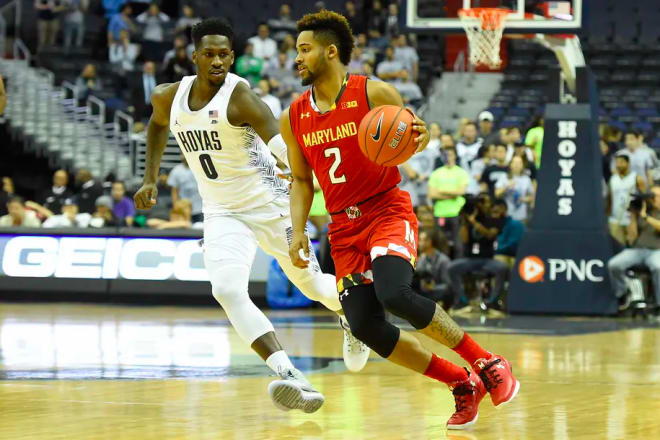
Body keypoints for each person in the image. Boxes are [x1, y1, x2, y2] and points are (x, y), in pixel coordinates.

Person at [281, 10, 519, 430]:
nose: (296, 58)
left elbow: (411, 132)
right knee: (365, 325)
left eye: (304, 49)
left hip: (386, 209)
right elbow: (301, 181)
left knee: (395, 293)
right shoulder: (293, 116)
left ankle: (487, 361)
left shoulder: (374, 93)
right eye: (295, 51)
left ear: (330, 51)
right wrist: (297, 231)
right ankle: (461, 383)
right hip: (343, 229)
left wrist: (420, 137)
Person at [132, 18, 370, 413]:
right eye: (209, 54)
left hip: (270, 204)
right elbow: (157, 127)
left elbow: (281, 144)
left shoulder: (240, 97)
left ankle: (351, 315)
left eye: (225, 54)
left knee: (311, 286)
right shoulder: (166, 97)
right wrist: (150, 178)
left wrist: (297, 169)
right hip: (222, 210)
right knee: (225, 290)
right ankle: (290, 375)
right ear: (194, 57)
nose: (218, 61)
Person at [448, 193, 509, 313]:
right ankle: (462, 300)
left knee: (502, 268)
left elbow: (490, 234)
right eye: (480, 202)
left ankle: (493, 301)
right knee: (451, 268)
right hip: (470, 259)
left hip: (487, 259)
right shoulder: (469, 218)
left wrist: (474, 222)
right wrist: (465, 222)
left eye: (485, 201)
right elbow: (464, 240)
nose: (483, 204)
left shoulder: (493, 219)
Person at [607, 185, 660, 316]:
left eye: (655, 196)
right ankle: (623, 293)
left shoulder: (647, 214)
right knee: (614, 264)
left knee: (658, 267)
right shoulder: (644, 210)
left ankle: (659, 304)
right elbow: (632, 237)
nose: (652, 199)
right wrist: (633, 215)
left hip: (657, 251)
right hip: (638, 249)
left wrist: (645, 216)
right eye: (651, 196)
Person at [428, 147, 469, 257]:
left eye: (450, 154)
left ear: (455, 156)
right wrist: (452, 194)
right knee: (441, 244)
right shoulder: (436, 173)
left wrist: (441, 191)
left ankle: (458, 268)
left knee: (458, 244)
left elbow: (461, 191)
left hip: (457, 213)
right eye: (446, 155)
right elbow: (432, 194)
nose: (448, 157)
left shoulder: (461, 172)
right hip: (440, 213)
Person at [607, 152, 646, 244]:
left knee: (633, 245)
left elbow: (645, 198)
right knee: (616, 246)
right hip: (615, 219)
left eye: (621, 162)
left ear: (628, 163)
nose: (618, 165)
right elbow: (609, 199)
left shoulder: (637, 178)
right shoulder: (612, 179)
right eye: (617, 163)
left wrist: (641, 216)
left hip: (631, 219)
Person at [495, 156, 535, 223]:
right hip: (506, 216)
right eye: (515, 162)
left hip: (522, 217)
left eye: (519, 163)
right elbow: (497, 194)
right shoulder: (504, 177)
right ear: (510, 164)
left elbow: (532, 197)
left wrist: (524, 199)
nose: (517, 165)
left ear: (522, 165)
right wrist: (506, 186)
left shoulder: (526, 179)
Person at [167, 156, 203, 223]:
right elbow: (174, 191)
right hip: (183, 208)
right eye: (182, 154)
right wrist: (176, 206)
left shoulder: (200, 168)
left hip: (200, 208)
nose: (184, 156)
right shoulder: (176, 170)